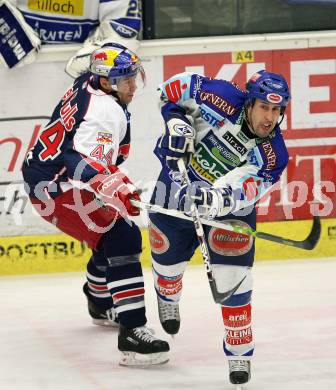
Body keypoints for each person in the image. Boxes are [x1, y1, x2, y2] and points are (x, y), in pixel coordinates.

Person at [21, 42, 170, 367]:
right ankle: (132, 332)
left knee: (108, 234)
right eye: (125, 80)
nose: (133, 86)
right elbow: (76, 160)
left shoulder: (87, 82)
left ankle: (101, 302)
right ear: (106, 82)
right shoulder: (105, 114)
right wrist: (109, 182)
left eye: (133, 77)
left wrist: (110, 183)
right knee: (123, 237)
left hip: (45, 176)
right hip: (56, 188)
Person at [148, 69, 290, 384]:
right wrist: (175, 120)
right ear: (250, 102)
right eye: (264, 107)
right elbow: (172, 88)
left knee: (234, 280)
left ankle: (239, 352)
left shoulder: (273, 154)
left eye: (276, 110)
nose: (270, 117)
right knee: (166, 264)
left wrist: (216, 197)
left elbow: (247, 187)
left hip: (227, 211)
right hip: (174, 189)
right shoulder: (219, 95)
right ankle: (168, 294)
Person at [0, 0, 141, 73]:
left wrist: (91, 62)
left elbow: (123, 33)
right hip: (16, 78)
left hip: (83, 87)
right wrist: (11, 44)